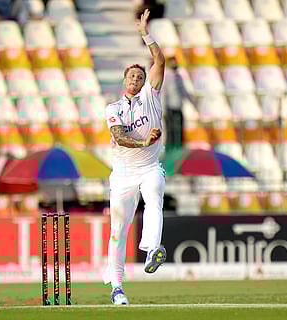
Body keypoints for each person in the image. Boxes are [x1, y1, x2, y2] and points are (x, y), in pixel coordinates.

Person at [103, 9, 166, 305]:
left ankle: (152, 249)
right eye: (132, 75)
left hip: (150, 167)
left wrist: (145, 34)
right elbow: (119, 138)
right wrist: (143, 140)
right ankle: (117, 288)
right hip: (123, 175)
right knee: (118, 229)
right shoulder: (113, 108)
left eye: (140, 76)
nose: (136, 79)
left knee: (154, 193)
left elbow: (160, 61)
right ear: (124, 80)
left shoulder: (151, 97)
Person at [162, 56, 198, 153]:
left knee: (179, 131)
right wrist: (163, 110)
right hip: (170, 108)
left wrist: (192, 102)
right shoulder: (166, 76)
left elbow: (183, 91)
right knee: (171, 132)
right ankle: (170, 152)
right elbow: (163, 94)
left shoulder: (178, 76)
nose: (175, 64)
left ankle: (179, 151)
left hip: (178, 107)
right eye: (172, 63)